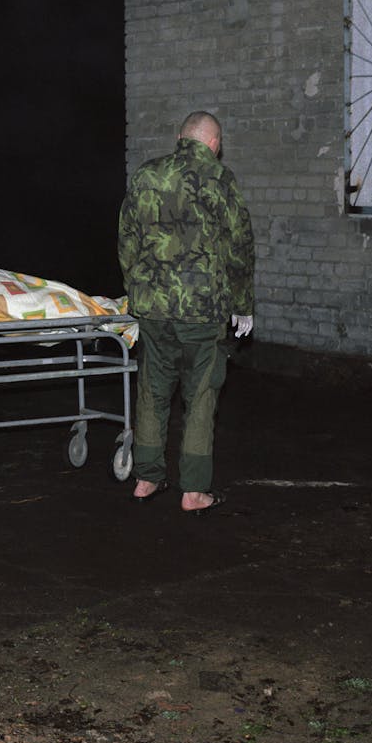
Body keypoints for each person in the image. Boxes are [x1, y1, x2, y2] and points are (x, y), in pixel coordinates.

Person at [117, 110, 255, 514]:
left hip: (154, 309)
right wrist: (243, 304)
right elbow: (239, 247)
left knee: (153, 390)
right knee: (201, 395)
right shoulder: (220, 179)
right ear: (214, 144)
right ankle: (193, 491)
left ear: (180, 138)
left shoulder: (146, 175)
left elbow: (126, 241)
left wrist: (137, 288)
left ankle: (146, 478)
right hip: (203, 311)